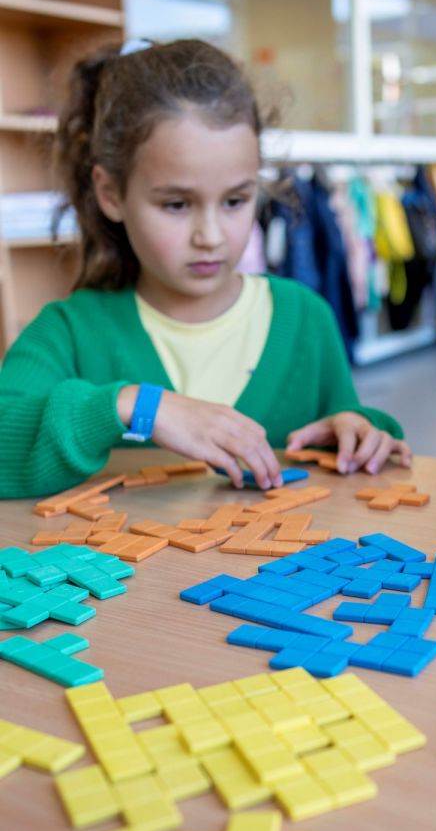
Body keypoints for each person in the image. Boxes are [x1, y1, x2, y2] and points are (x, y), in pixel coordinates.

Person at [0, 39, 410, 498]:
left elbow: (346, 424)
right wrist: (134, 406)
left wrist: (359, 430)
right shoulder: (69, 332)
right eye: (176, 204)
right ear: (111, 193)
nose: (211, 236)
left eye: (236, 200)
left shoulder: (306, 318)